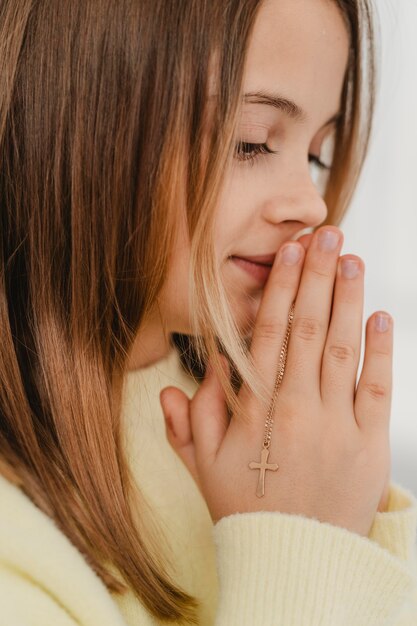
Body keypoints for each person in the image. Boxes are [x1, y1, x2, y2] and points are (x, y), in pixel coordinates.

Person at [0, 0, 416, 624]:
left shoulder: (257, 428)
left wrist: (343, 503)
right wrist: (300, 548)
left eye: (317, 156)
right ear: (72, 124)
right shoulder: (17, 552)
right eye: (252, 143)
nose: (310, 202)